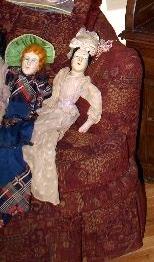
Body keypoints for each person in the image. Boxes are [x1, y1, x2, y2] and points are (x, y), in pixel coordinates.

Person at [23, 28, 104, 205]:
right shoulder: (62, 74)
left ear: (88, 63)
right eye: (77, 56)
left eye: (84, 58)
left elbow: (96, 97)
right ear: (71, 57)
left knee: (47, 140)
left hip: (65, 113)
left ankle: (42, 187)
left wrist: (89, 122)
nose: (79, 59)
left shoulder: (84, 82)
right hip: (53, 108)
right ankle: (22, 172)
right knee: (31, 132)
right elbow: (54, 95)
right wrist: (43, 106)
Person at [0, 34, 54, 226]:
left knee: (10, 151)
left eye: (34, 60)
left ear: (40, 65)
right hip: (7, 118)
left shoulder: (39, 83)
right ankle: (10, 204)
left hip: (24, 122)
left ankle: (7, 208)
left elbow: (47, 101)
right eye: (26, 58)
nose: (29, 63)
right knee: (5, 152)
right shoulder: (12, 74)